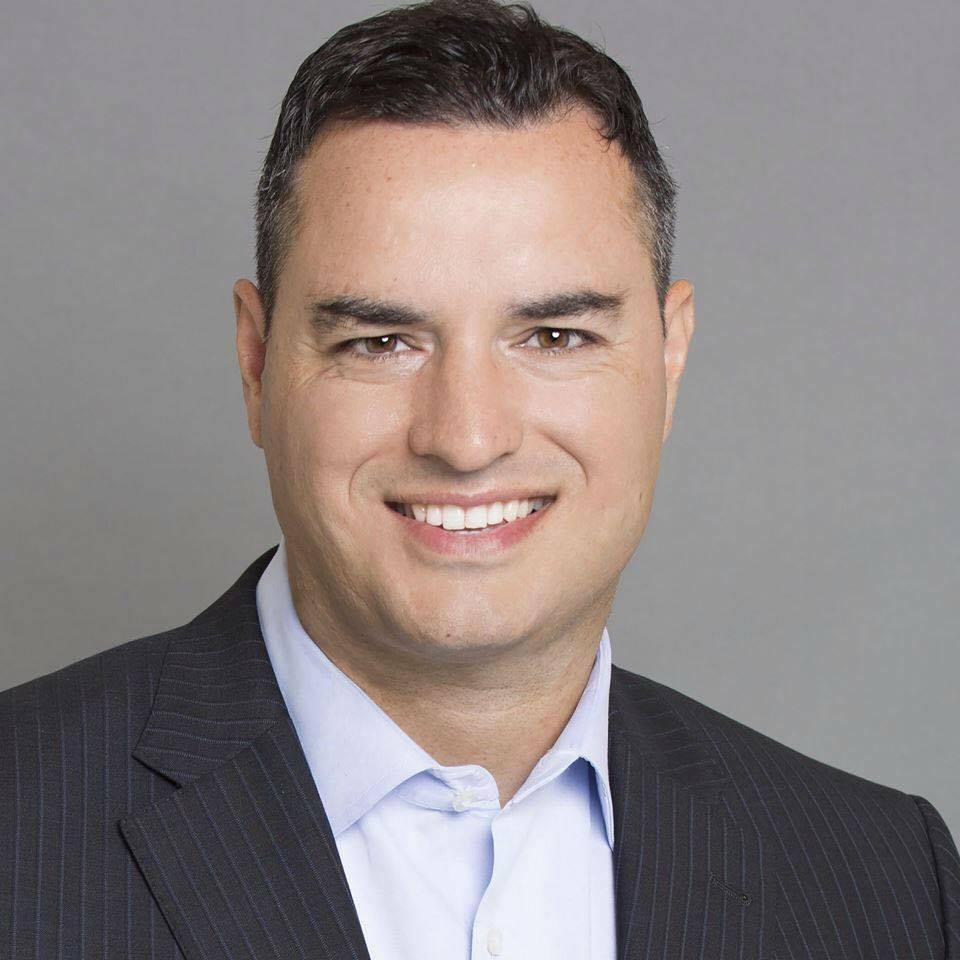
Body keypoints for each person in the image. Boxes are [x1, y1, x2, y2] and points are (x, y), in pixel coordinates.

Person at [2, 1, 957, 957]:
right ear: (255, 365)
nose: (465, 438)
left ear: (669, 360)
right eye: (381, 341)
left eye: (554, 337)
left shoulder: (889, 881)